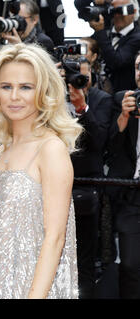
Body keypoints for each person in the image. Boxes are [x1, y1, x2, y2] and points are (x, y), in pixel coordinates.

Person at [0, 43, 82, 299]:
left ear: (43, 91)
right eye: (6, 86)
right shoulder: (3, 149)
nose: (14, 96)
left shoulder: (51, 149)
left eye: (25, 87)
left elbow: (55, 239)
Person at [67, 57, 115, 298]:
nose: (78, 82)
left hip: (87, 187)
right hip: (56, 183)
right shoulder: (52, 99)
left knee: (85, 257)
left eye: (83, 77)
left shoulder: (102, 100)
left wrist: (82, 109)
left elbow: (98, 142)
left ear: (92, 76)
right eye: (73, 76)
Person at [106, 51, 140, 298]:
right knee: (128, 264)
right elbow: (110, 151)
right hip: (132, 196)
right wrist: (123, 118)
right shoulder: (125, 101)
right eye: (138, 67)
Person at [87, 0, 140, 93]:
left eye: (121, 11)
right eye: (113, 11)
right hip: (98, 94)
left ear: (134, 11)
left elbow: (116, 61)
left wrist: (100, 32)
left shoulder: (137, 37)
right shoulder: (106, 32)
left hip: (123, 95)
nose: (117, 15)